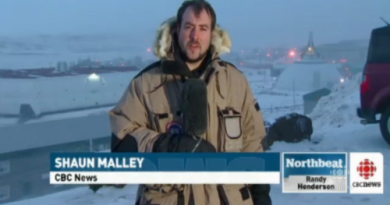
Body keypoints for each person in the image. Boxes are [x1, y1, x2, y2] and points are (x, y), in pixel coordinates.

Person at [109, 0, 271, 204]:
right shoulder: (146, 84)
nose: (195, 36)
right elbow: (121, 143)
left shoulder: (235, 81)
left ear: (212, 34)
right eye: (189, 27)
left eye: (203, 28)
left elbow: (253, 144)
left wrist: (261, 196)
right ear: (177, 30)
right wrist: (167, 146)